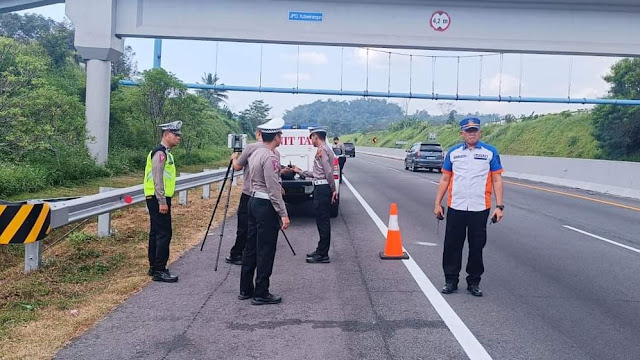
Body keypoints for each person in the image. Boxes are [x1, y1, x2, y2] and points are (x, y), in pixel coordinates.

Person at [433, 117, 504, 297]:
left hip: (480, 208)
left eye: (475, 131)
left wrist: (499, 206)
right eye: (468, 131)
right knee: (452, 246)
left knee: (476, 246)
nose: (472, 134)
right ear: (462, 133)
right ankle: (451, 281)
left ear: (480, 133)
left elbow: (497, 179)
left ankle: (474, 282)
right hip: (456, 206)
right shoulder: (453, 152)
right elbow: (445, 179)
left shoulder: (490, 152)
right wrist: (437, 203)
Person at [226, 124, 294, 266]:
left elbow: (237, 166)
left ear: (259, 134)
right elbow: (273, 175)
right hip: (265, 196)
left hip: (249, 193)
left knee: (245, 227)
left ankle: (238, 253)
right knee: (262, 231)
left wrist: (233, 158)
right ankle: (252, 254)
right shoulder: (274, 153)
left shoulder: (251, 148)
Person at [239, 118, 290, 305]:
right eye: (280, 135)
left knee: (250, 247)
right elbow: (273, 188)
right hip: (265, 205)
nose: (281, 137)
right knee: (266, 249)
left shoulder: (256, 153)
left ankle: (246, 288)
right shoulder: (270, 157)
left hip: (252, 200)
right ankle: (261, 292)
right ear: (276, 137)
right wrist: (283, 213)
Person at [292, 126, 338, 264]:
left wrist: (333, 188)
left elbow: (328, 172)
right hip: (321, 186)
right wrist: (300, 172)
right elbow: (318, 173)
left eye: (311, 137)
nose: (310, 140)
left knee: (323, 221)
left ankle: (323, 254)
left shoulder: (322, 150)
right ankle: (320, 250)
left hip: (322, 188)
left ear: (315, 136)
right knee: (320, 221)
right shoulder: (325, 150)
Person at [144, 121, 182, 283]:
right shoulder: (160, 153)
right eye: (175, 134)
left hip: (155, 197)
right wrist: (162, 201)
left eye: (179, 135)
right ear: (166, 134)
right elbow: (157, 178)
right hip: (158, 197)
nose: (178, 138)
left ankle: (154, 267)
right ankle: (160, 270)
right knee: (164, 234)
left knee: (156, 232)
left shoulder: (166, 153)